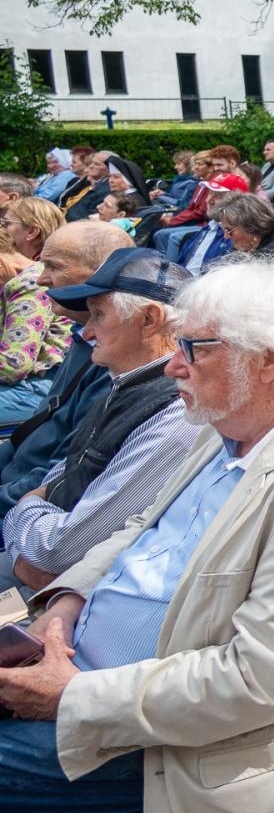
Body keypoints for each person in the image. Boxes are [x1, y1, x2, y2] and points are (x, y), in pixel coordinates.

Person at [0, 261, 274, 813]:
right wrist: (64, 607)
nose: (174, 363)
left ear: (272, 358)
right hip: (81, 672)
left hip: (162, 746)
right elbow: (140, 529)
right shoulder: (227, 425)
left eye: (194, 347)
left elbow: (260, 682)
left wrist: (74, 696)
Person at [0, 250, 202, 596]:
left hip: (58, 579)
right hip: (34, 557)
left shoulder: (173, 409)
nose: (88, 331)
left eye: (98, 316)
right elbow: (59, 477)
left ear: (149, 320)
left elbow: (59, 552)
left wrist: (21, 513)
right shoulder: (126, 383)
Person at [0, 223, 132, 506]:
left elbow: (60, 472)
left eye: (54, 267)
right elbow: (29, 437)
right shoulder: (83, 336)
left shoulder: (118, 361)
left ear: (101, 272)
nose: (40, 279)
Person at [0, 199, 73, 425]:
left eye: (6, 223)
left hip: (36, 389)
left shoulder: (31, 283)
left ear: (32, 231)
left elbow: (14, 364)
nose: (3, 228)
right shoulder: (27, 277)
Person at [58, 150, 111, 223]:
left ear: (109, 169)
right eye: (92, 163)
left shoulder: (105, 190)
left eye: (96, 164)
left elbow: (81, 216)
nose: (91, 166)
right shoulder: (88, 184)